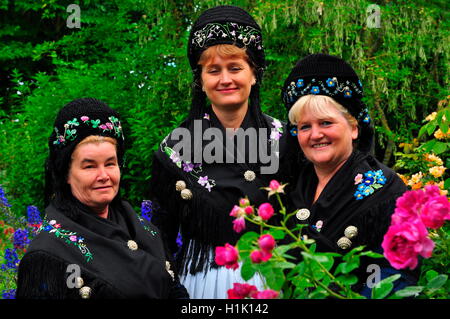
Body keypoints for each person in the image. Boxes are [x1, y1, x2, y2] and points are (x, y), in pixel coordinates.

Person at [148, 5, 292, 298]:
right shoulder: (174, 151)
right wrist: (172, 288)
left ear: (254, 74)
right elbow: (158, 233)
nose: (225, 79)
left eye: (235, 68)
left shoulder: (285, 139)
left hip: (275, 279)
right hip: (200, 283)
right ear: (200, 81)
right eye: (213, 70)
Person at [16, 98, 189, 299]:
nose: (104, 176)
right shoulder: (48, 256)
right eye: (89, 166)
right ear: (66, 173)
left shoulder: (143, 229)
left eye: (110, 163)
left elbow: (173, 289)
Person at [281, 53, 417, 295]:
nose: (315, 134)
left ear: (353, 128)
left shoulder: (386, 189)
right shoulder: (289, 184)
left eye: (326, 123)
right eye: (304, 127)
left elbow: (396, 274)